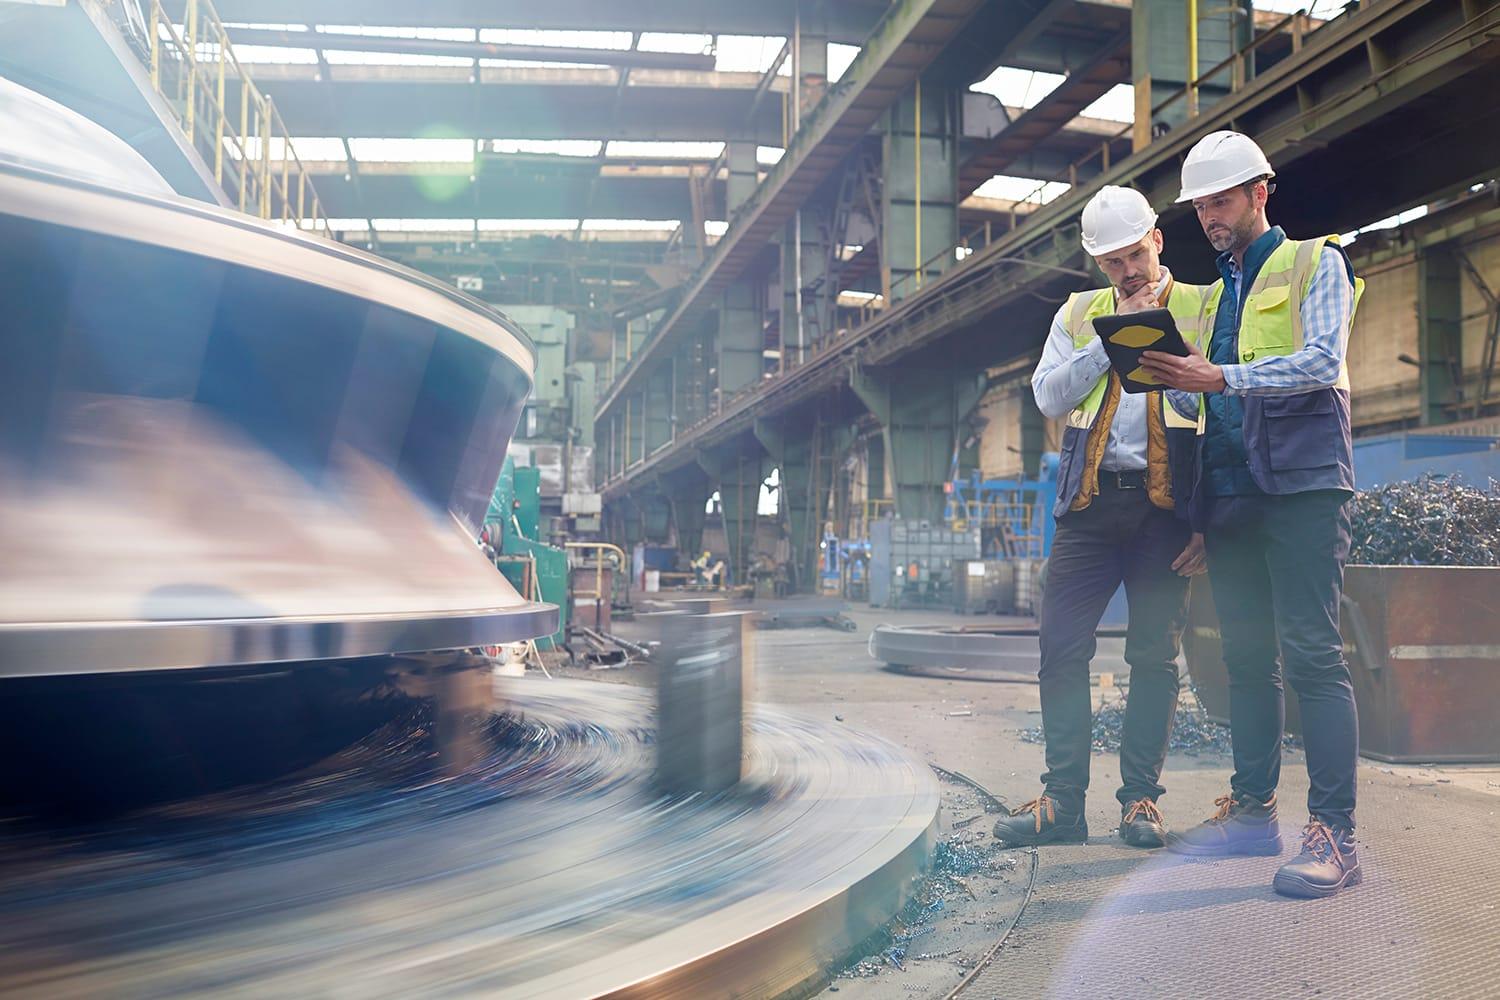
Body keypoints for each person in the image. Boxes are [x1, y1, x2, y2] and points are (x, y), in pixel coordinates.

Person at [1138, 131, 1365, 899]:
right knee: (1245, 661)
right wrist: (1163, 376)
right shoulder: (1209, 295)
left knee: (1312, 655)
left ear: (1260, 193)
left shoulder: (1315, 264)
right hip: (1232, 495)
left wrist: (1220, 374)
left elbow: (1321, 359)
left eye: (1222, 200)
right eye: (1200, 205)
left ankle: (1335, 834)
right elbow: (1199, 399)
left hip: (1302, 488)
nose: (1210, 216)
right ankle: (1251, 814)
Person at [993, 186, 1207, 850]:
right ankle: (1064, 805)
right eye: (1112, 263)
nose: (1126, 272)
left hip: (1166, 512)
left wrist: (1213, 522)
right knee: (1060, 648)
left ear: (1158, 241)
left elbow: (1227, 412)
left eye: (1134, 256)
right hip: (1088, 507)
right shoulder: (1080, 313)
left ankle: (1140, 800)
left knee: (1153, 656)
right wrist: (1109, 344)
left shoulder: (1203, 306)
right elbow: (1049, 395)